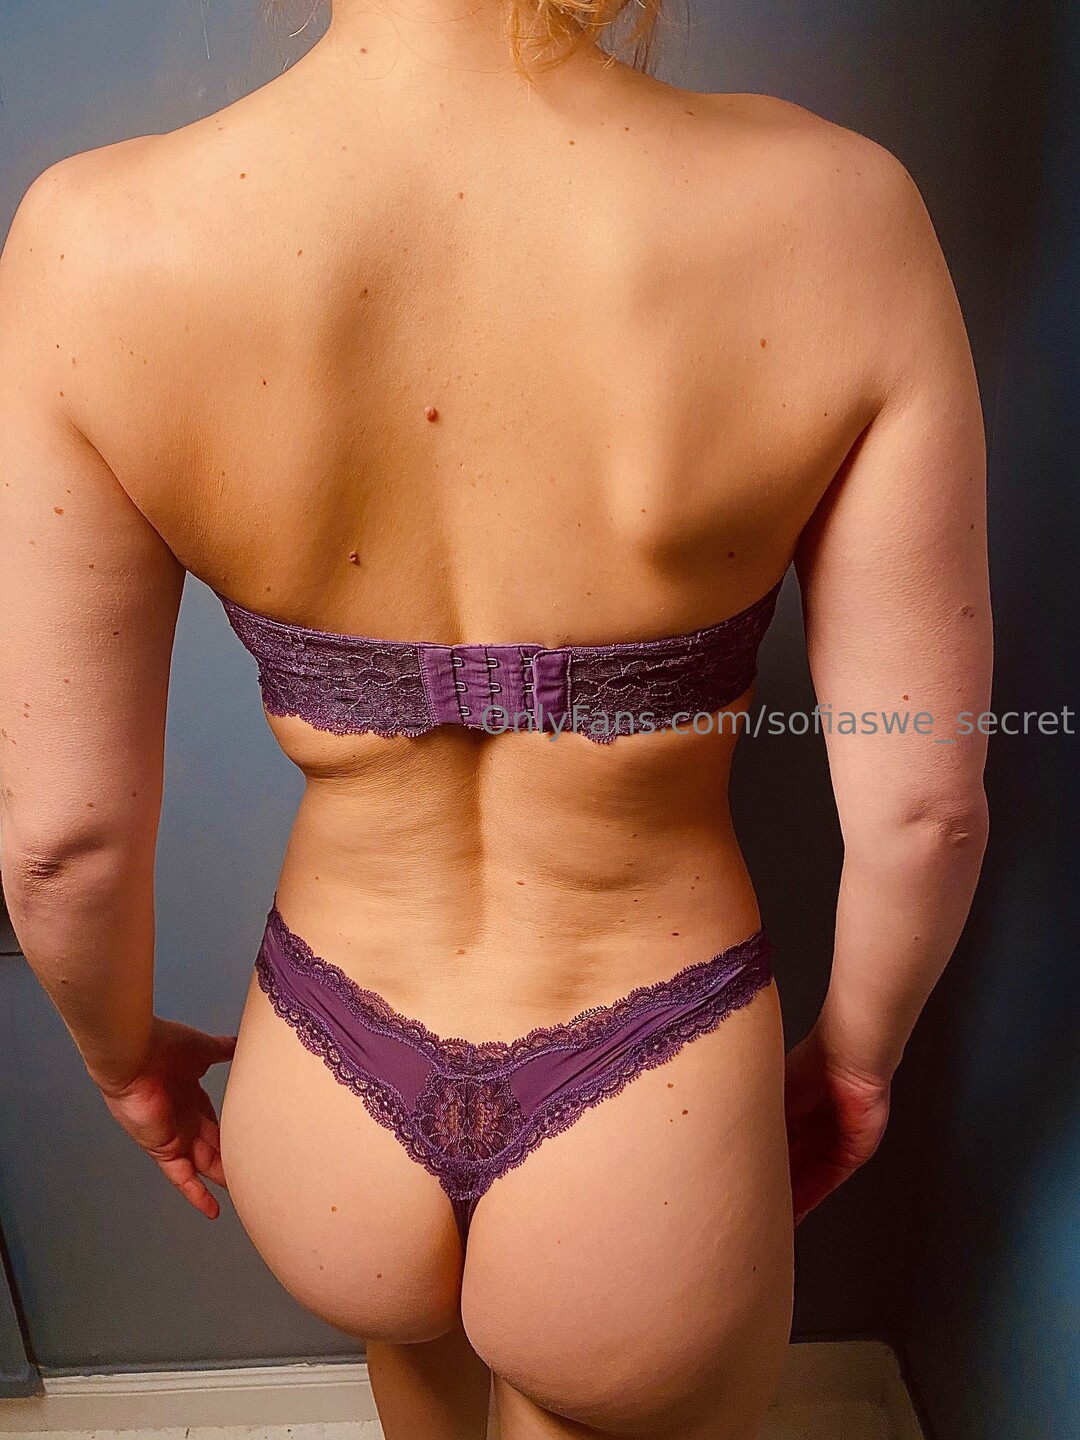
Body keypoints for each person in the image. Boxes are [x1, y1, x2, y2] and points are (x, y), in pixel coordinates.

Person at [0, 0, 992, 1433]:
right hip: (651, 1088)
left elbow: (60, 847)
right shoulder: (841, 213)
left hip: (327, 1071)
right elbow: (927, 807)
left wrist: (126, 1065)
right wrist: (854, 1060)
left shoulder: (92, 241)